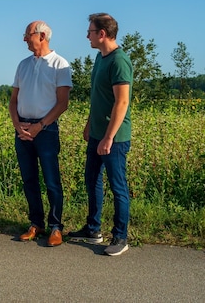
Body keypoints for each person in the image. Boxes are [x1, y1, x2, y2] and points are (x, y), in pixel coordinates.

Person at [67, 13, 133, 256]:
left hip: (114, 138)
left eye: (90, 31)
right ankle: (93, 230)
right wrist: (89, 125)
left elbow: (122, 102)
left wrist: (108, 137)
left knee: (118, 187)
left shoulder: (119, 61)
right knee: (92, 179)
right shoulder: (100, 57)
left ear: (102, 34)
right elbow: (99, 98)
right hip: (97, 133)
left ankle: (120, 237)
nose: (87, 36)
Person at [9, 21, 72, 247]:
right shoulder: (23, 65)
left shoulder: (59, 64)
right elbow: (14, 99)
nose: (24, 39)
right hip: (23, 129)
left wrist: (41, 125)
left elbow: (63, 103)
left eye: (27, 35)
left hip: (46, 130)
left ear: (42, 35)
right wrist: (17, 125)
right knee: (29, 180)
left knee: (51, 180)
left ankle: (56, 226)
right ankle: (36, 223)